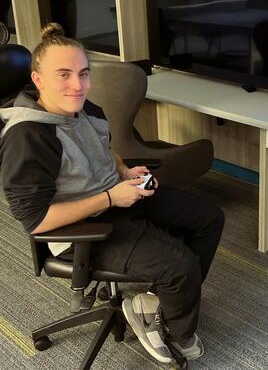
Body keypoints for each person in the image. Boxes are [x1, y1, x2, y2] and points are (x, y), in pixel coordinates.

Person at [0, 23, 224, 364]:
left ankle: (154, 301)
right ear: (38, 80)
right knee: (180, 267)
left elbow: (104, 149)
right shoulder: (27, 138)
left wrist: (123, 171)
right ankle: (179, 330)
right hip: (77, 232)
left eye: (83, 73)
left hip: (117, 197)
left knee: (209, 217)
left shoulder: (85, 108)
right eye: (63, 74)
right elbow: (36, 221)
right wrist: (109, 199)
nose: (77, 85)